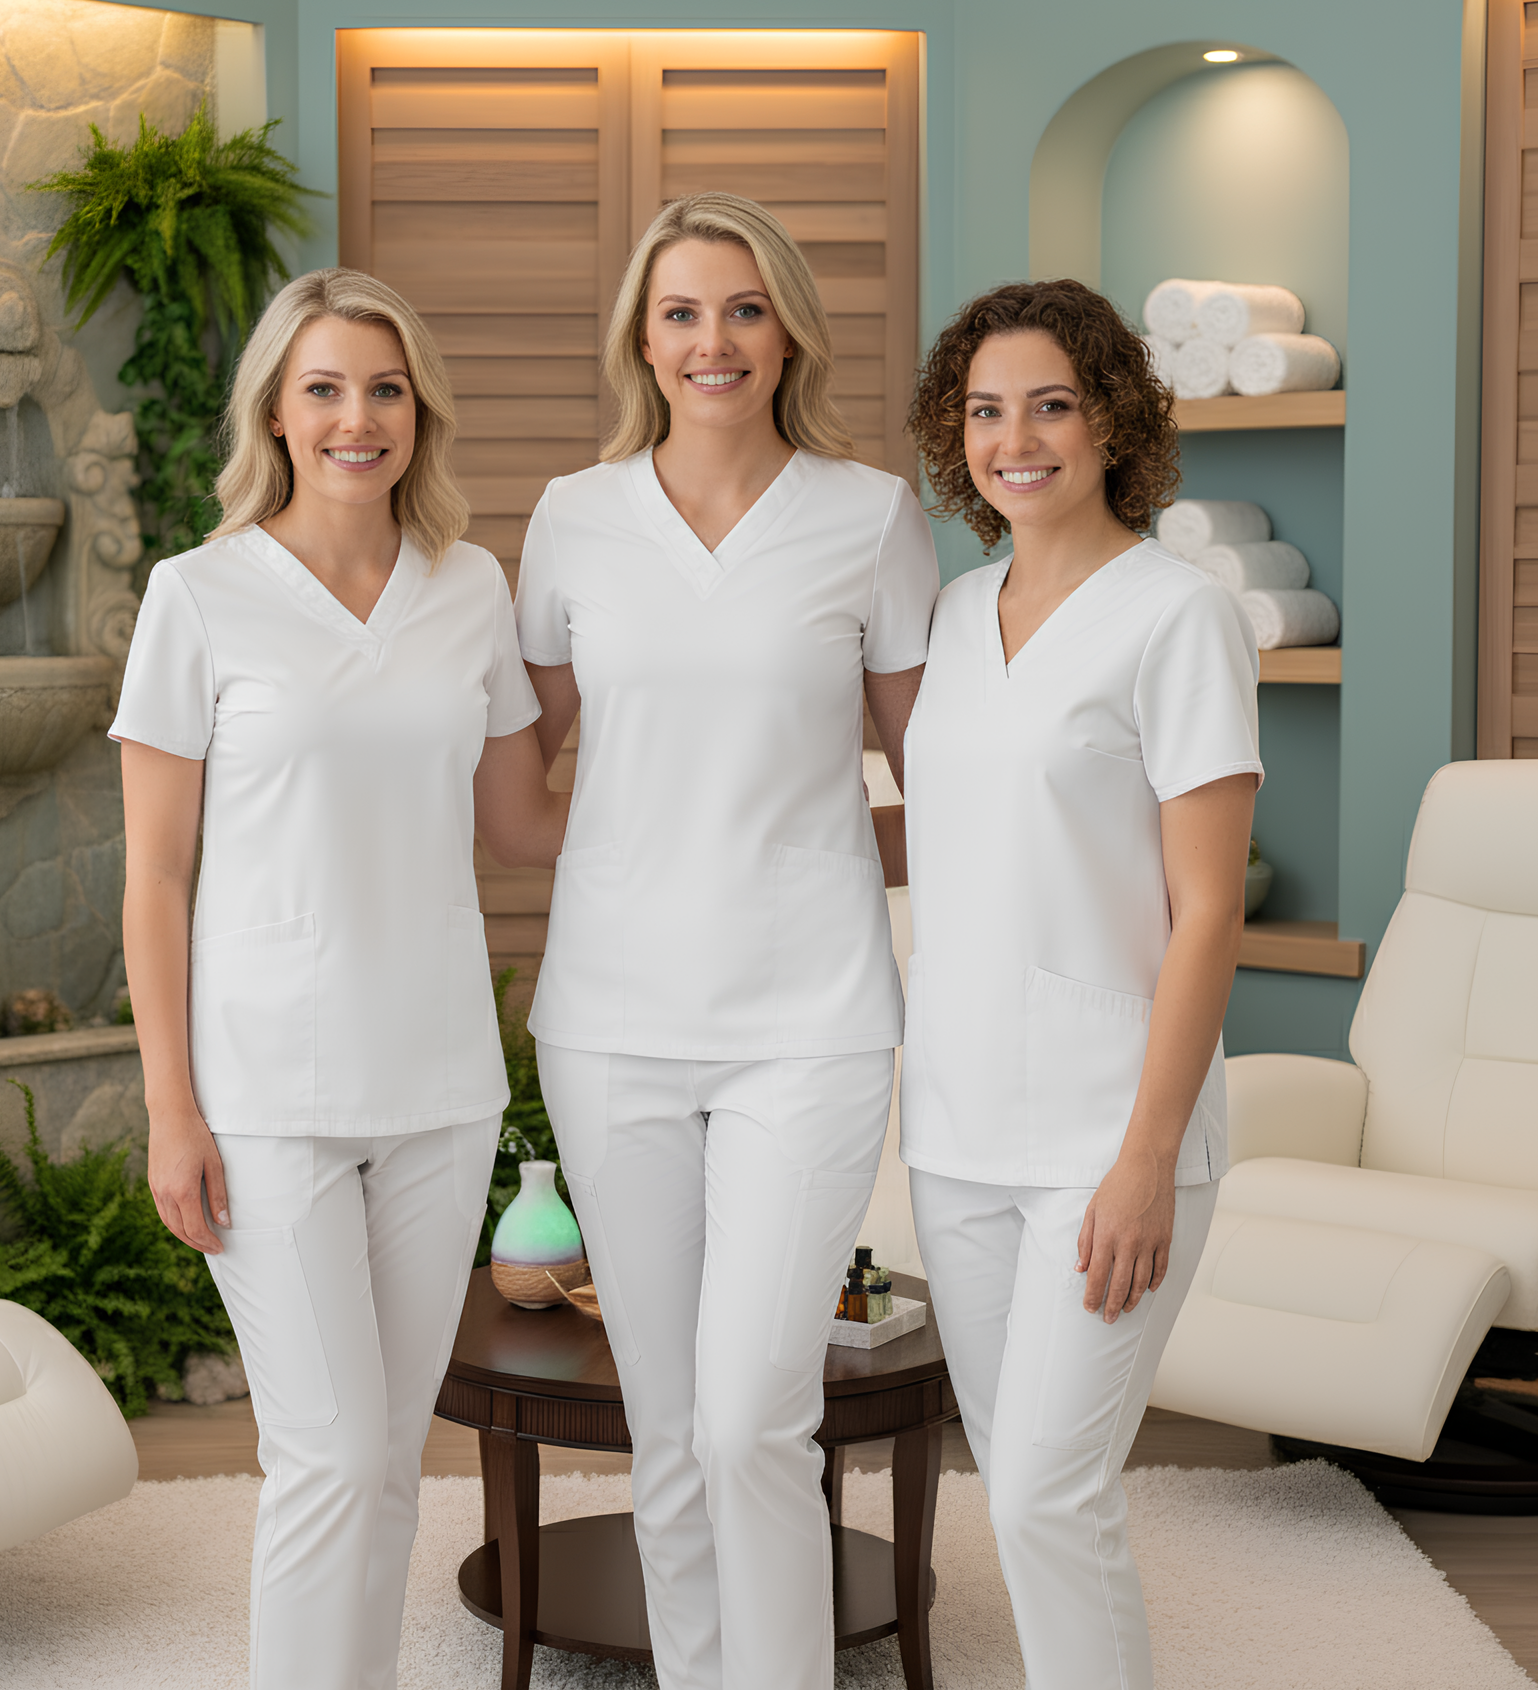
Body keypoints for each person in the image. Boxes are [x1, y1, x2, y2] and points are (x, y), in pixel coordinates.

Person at [115, 268, 564, 1690]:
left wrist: (700, 717)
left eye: (383, 388)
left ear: (418, 412)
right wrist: (170, 1110)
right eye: (324, 388)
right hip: (266, 1094)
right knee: (318, 1452)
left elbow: (523, 824)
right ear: (278, 411)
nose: (356, 417)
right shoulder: (197, 596)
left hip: (439, 1087)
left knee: (381, 1458)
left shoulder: (469, 588)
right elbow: (156, 880)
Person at [514, 192, 940, 1690]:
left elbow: (940, 781)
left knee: (759, 1410)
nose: (715, 340)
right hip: (611, 1023)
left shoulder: (870, 515)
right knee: (675, 1419)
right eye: (685, 311)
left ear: (788, 333)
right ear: (644, 334)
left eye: (745, 309)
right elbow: (521, 781)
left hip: (811, 1021)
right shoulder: (572, 518)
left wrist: (822, 840)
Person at [899, 279, 1260, 1689]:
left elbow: (1209, 906)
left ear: (1113, 419)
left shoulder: (1177, 619)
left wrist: (1145, 1162)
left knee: (1052, 1496)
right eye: (986, 411)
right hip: (960, 1129)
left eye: (1052, 403)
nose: (1017, 438)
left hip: (1110, 1137)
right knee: (1032, 1493)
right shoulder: (955, 605)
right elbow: (959, 827)